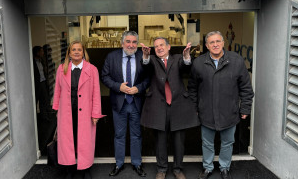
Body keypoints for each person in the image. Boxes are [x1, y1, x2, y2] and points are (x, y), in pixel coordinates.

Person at [188, 31, 254, 179]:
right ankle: (208, 167)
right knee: (207, 143)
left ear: (223, 43)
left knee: (228, 142)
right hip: (206, 112)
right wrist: (194, 108)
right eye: (212, 42)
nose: (215, 44)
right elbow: (192, 89)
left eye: (218, 41)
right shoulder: (199, 63)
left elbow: (246, 88)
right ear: (206, 45)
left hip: (229, 111)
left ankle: (225, 167)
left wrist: (245, 107)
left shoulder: (236, 61)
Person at [140, 37, 200, 179]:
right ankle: (161, 169)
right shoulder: (152, 60)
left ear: (169, 47)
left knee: (179, 141)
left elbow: (186, 67)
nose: (159, 48)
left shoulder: (178, 58)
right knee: (160, 140)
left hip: (178, 105)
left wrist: (187, 57)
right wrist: (146, 56)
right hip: (158, 106)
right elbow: (145, 66)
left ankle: (178, 169)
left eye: (161, 45)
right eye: (156, 46)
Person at [52, 41, 105, 179]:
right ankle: (69, 169)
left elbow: (96, 93)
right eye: (73, 50)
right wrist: (56, 109)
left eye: (79, 50)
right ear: (69, 53)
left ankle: (84, 169)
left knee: (84, 141)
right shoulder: (61, 69)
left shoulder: (92, 69)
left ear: (83, 52)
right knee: (68, 141)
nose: (76, 52)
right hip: (66, 113)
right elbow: (57, 90)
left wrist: (95, 113)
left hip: (85, 113)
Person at [101, 31, 150, 177]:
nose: (131, 45)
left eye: (134, 42)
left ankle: (137, 163)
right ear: (122, 43)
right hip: (119, 102)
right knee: (119, 135)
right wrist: (118, 86)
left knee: (136, 134)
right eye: (128, 41)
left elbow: (149, 77)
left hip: (136, 102)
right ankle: (119, 164)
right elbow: (104, 76)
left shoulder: (143, 57)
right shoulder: (112, 57)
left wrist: (139, 88)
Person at [32, 46, 50, 117]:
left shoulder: (41, 61)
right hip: (37, 84)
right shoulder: (32, 62)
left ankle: (44, 116)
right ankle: (35, 118)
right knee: (36, 100)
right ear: (37, 52)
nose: (43, 53)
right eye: (41, 51)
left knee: (43, 100)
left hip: (43, 82)